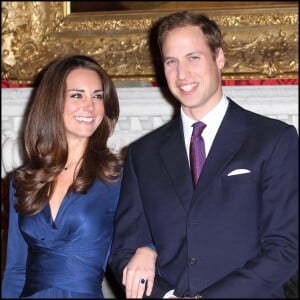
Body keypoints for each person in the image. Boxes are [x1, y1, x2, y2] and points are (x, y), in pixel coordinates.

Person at [109, 11, 299, 298]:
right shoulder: (142, 154)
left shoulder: (273, 140)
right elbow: (123, 250)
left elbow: (286, 248)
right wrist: (151, 265)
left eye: (193, 57)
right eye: (171, 61)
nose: (182, 74)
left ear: (219, 58)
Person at [1, 55, 151, 298]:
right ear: (53, 102)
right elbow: (16, 269)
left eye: (98, 96)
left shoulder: (117, 177)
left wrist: (148, 250)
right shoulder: (24, 179)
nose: (90, 106)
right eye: (77, 95)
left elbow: (152, 230)